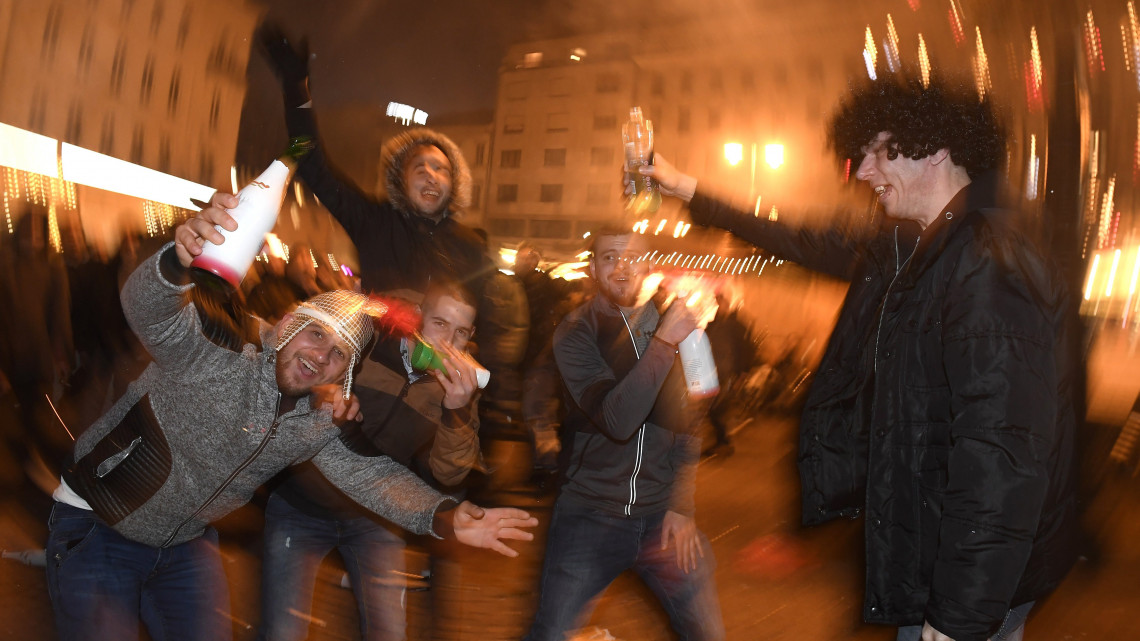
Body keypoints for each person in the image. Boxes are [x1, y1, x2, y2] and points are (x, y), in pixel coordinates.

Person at [644, 75, 1079, 641]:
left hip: (969, 584)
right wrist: (688, 190)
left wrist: (957, 616)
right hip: (932, 561)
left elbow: (999, 453)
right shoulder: (910, 248)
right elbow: (797, 238)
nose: (864, 172)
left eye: (877, 151)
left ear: (937, 148)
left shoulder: (987, 267)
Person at [45, 196, 537, 641]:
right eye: (316, 335)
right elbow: (147, 308)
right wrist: (177, 258)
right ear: (287, 326)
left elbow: (372, 474)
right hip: (101, 523)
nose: (321, 356)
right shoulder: (216, 353)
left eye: (340, 355)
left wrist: (447, 517)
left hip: (183, 544)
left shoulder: (315, 419)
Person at [521, 227, 725, 641]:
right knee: (550, 634)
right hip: (590, 515)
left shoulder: (677, 323)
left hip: (659, 518)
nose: (621, 266)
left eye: (632, 257)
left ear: (648, 266)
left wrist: (682, 506)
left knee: (708, 634)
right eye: (609, 257)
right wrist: (665, 341)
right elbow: (617, 420)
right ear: (593, 268)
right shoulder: (576, 332)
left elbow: (692, 419)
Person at [258, 281, 484, 641]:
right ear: (419, 318)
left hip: (377, 516)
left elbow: (449, 473)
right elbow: (296, 365)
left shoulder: (459, 390)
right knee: (282, 632)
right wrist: (322, 392)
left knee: (389, 632)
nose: (446, 341)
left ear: (469, 337)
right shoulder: (370, 344)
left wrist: (457, 412)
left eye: (459, 332)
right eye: (439, 323)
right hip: (302, 504)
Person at [257, 25, 492, 298]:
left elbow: (492, 323)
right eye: (419, 167)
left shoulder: (471, 247)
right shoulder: (373, 222)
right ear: (400, 181)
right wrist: (296, 87)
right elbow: (310, 159)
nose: (430, 175)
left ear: (454, 183)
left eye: (441, 169)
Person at [514, 242, 566, 471]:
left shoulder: (533, 285)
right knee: (536, 410)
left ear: (533, 261)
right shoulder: (530, 283)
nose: (519, 262)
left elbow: (534, 325)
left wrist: (534, 355)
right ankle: (543, 462)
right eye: (519, 258)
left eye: (524, 258)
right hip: (539, 355)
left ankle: (548, 464)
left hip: (539, 356)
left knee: (537, 410)